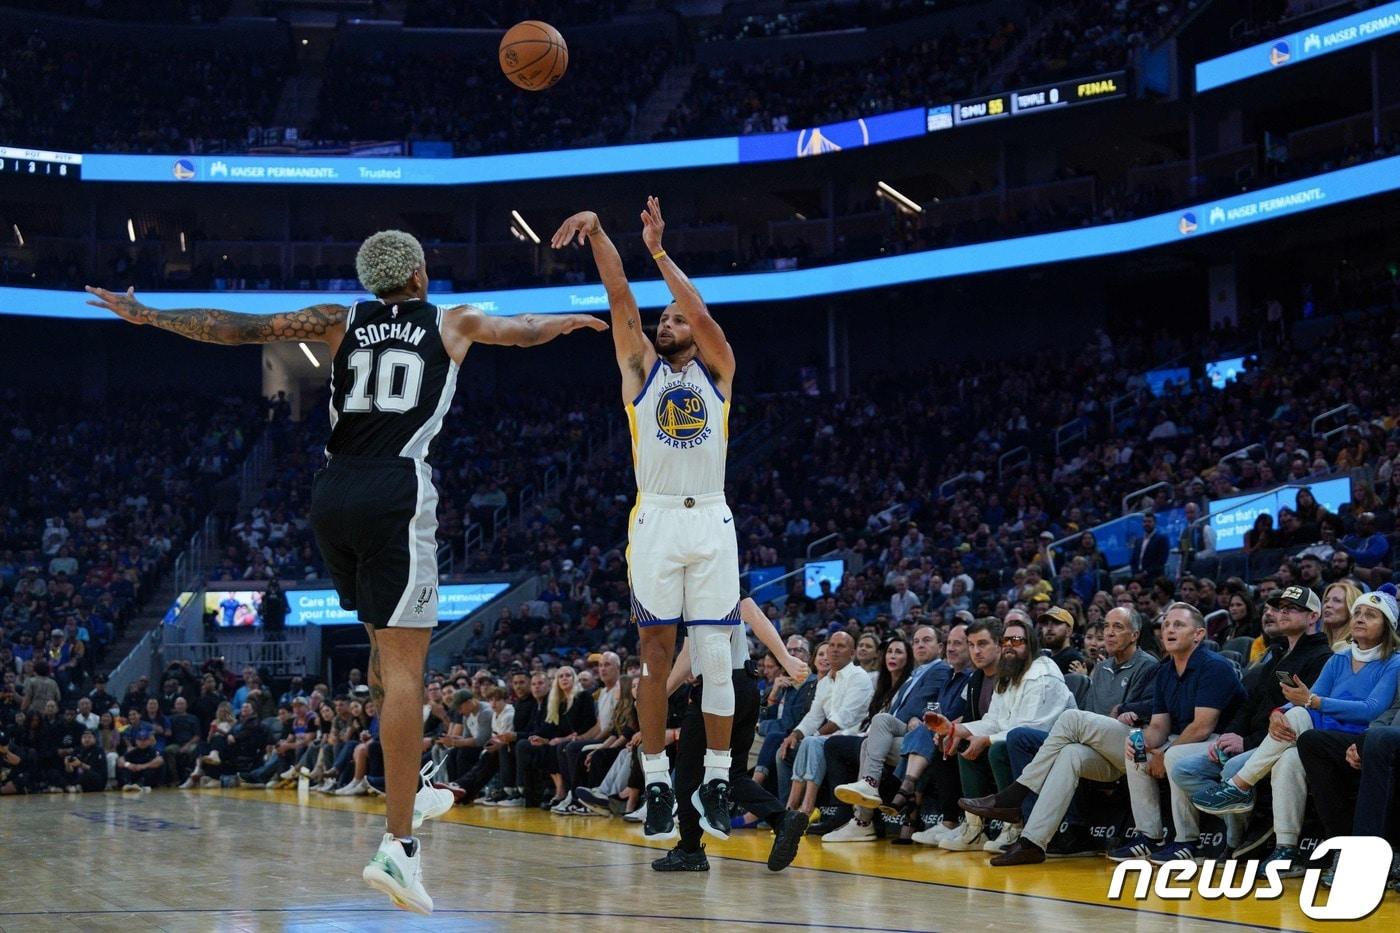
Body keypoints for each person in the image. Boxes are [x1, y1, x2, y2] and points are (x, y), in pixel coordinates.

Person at [85, 229, 608, 915]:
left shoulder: (339, 320)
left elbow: (237, 327)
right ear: (420, 271)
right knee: (407, 672)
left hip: (333, 493)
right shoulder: (452, 319)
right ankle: (399, 843)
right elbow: (519, 330)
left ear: (372, 280)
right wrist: (564, 321)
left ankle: (406, 779)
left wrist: (149, 313)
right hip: (396, 489)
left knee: (382, 658)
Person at [552, 198, 739, 842]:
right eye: (663, 318)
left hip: (712, 519)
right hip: (656, 522)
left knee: (715, 654)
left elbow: (703, 312)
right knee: (654, 658)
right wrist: (604, 234)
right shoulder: (640, 373)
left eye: (675, 316)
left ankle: (717, 778)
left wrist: (660, 251)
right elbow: (619, 298)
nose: (666, 321)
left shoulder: (719, 369)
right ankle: (657, 781)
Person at [1191, 587, 1400, 872]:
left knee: (1302, 715)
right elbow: (1309, 697)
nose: (1361, 618)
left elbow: (1370, 708)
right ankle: (1285, 848)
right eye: (1359, 612)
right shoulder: (1338, 658)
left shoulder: (1394, 662)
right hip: (1316, 739)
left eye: (1371, 615)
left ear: (1387, 626)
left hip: (1357, 740)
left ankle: (1239, 786)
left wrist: (1311, 703)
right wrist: (1280, 713)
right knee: (1288, 758)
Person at [960, 606, 1158, 864]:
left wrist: (1127, 709)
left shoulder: (1148, 665)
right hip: (1102, 749)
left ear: (1135, 635)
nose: (1109, 633)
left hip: (1137, 746)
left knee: (1070, 719)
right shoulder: (1101, 668)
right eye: (1106, 627)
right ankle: (1032, 841)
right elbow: (1090, 714)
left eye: (1117, 627)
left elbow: (1154, 711)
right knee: (1069, 753)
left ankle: (1015, 794)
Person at [654, 598, 811, 872]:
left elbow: (752, 610)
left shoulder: (707, 582)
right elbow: (689, 657)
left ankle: (690, 851)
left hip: (718, 686)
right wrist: (659, 695)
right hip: (746, 685)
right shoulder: (697, 597)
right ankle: (781, 818)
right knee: (730, 773)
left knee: (689, 772)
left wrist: (785, 658)